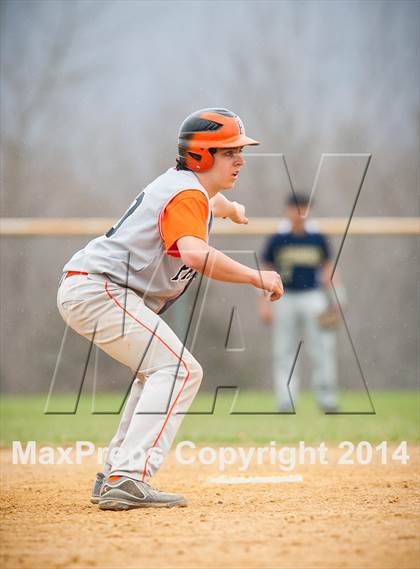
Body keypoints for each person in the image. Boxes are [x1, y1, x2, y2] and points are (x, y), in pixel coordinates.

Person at [57, 108, 284, 510]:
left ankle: (115, 473)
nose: (240, 159)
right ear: (201, 156)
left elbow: (207, 203)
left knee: (157, 371)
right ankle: (127, 477)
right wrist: (256, 276)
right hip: (100, 290)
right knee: (178, 370)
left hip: (96, 290)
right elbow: (195, 254)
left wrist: (229, 209)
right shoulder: (186, 193)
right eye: (230, 151)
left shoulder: (188, 188)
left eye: (239, 151)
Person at [260, 192, 340, 413]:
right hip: (283, 297)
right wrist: (265, 303)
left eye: (304, 207)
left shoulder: (317, 238)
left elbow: (328, 269)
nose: (300, 212)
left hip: (314, 297)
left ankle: (327, 399)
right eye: (296, 207)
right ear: (288, 209)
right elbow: (266, 270)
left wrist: (335, 299)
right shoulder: (278, 238)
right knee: (284, 350)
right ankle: (286, 400)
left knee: (322, 348)